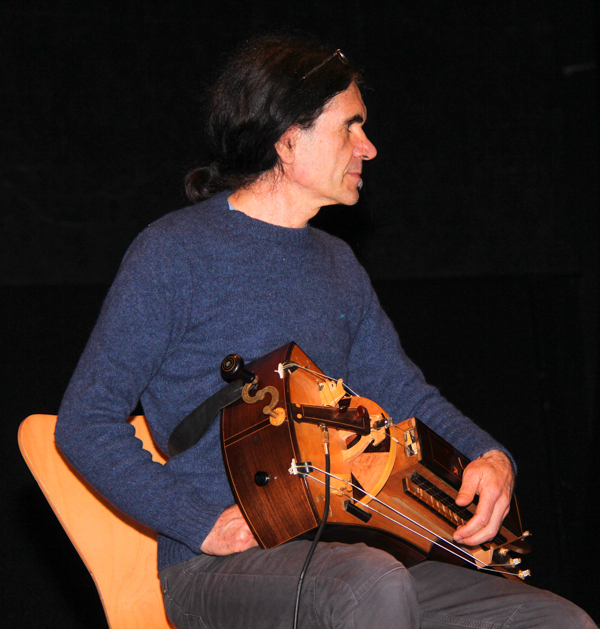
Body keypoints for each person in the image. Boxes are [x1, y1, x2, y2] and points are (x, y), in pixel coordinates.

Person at [55, 35, 596, 629]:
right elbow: (86, 422)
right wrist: (199, 522)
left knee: (556, 621)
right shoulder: (173, 253)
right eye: (350, 127)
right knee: (370, 585)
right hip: (217, 570)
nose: (368, 146)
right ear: (288, 140)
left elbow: (402, 393)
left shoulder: (338, 263)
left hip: (349, 554)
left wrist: (489, 455)